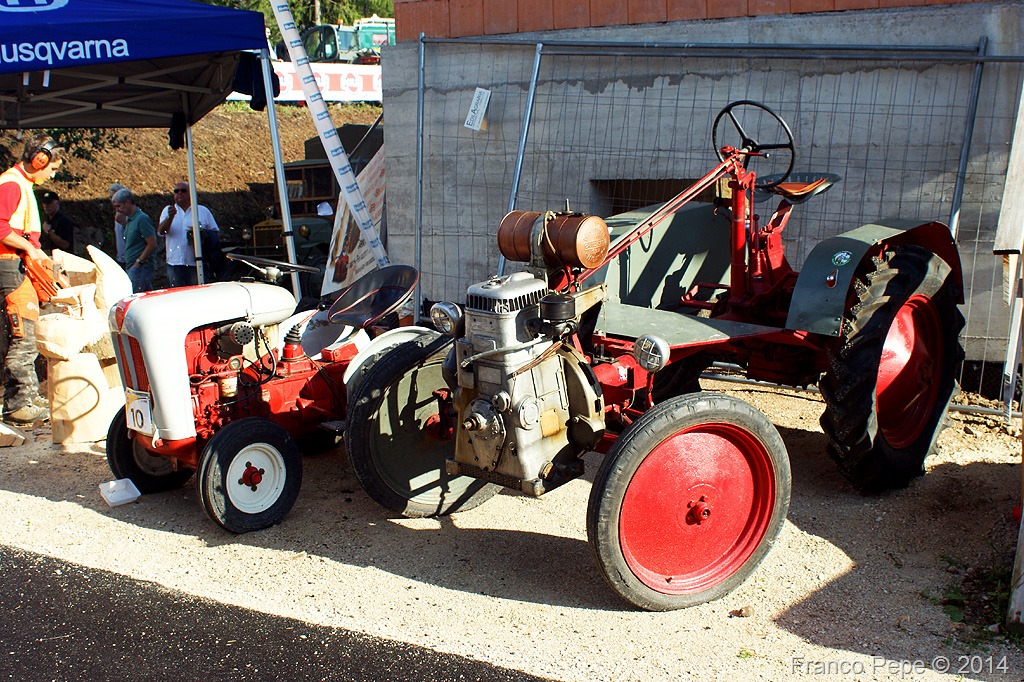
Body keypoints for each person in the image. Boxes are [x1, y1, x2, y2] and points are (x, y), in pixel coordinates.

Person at [0, 134, 62, 426]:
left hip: (16, 262)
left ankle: (26, 395)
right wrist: (29, 248)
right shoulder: (11, 183)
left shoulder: (21, 184)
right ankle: (17, 403)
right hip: (9, 264)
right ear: (40, 160)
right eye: (51, 167)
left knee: (25, 329)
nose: (52, 173)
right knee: (22, 333)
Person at [157, 181, 221, 287]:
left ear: (190, 194)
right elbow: (161, 232)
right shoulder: (167, 211)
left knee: (197, 295)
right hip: (175, 263)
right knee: (177, 296)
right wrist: (170, 218)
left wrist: (201, 235)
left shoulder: (202, 211)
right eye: (176, 191)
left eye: (183, 191)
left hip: (197, 263)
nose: (179, 193)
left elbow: (215, 234)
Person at [112, 188, 157, 293]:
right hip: (134, 267)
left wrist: (138, 263)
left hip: (140, 268)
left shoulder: (141, 219)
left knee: (133, 297)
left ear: (127, 202)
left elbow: (152, 244)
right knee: (145, 297)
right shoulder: (129, 220)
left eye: (119, 206)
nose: (117, 210)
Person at [109, 182, 125, 266]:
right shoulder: (117, 213)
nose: (112, 200)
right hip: (121, 258)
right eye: (111, 197)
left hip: (130, 259)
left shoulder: (128, 214)